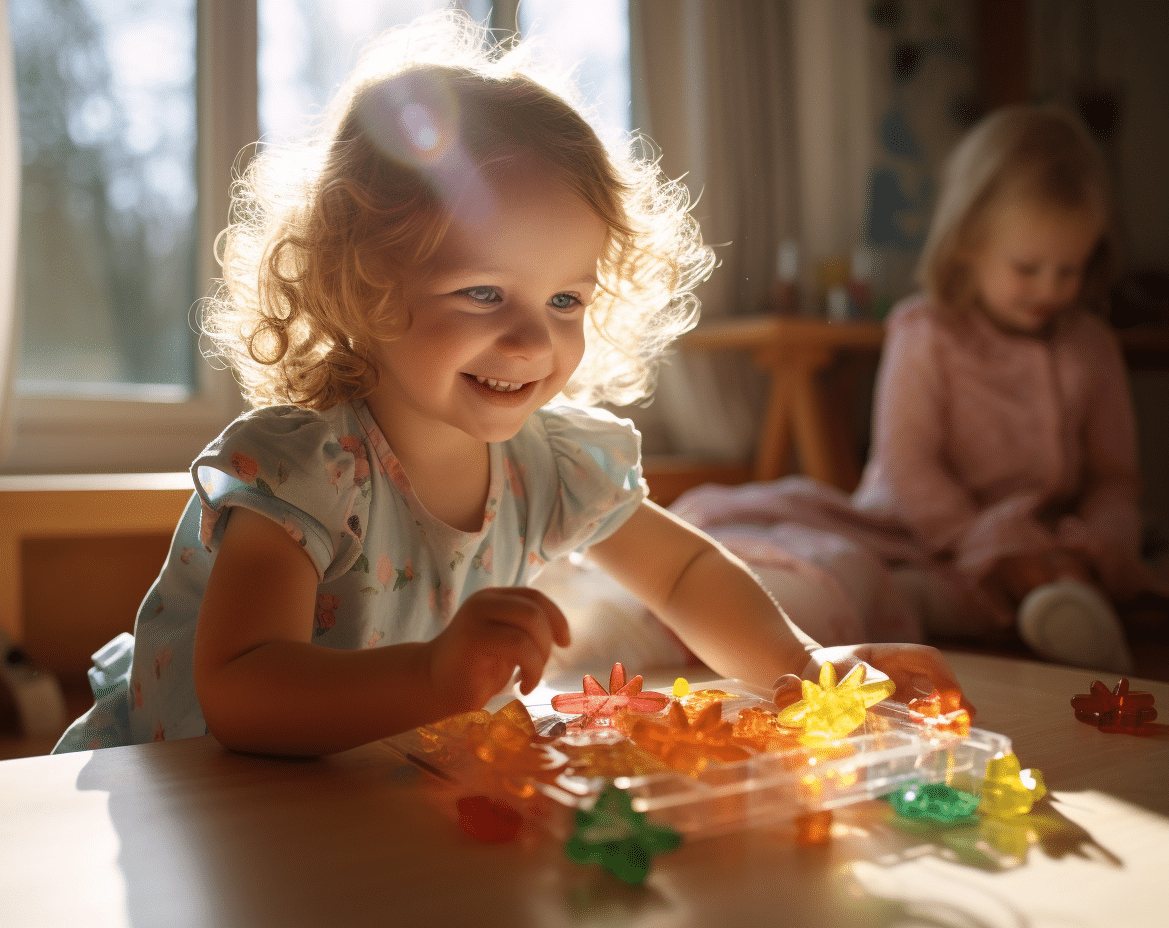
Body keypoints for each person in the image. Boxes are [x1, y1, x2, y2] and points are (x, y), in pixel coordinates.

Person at [53, 13, 969, 757]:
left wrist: (803, 667)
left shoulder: (552, 462)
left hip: (360, 794)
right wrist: (429, 679)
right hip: (186, 791)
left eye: (566, 297)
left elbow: (684, 570)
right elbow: (245, 688)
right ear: (364, 288)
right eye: (484, 292)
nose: (533, 337)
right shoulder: (303, 468)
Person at [674, 104, 1165, 675]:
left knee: (1089, 574)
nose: (1050, 288)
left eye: (1070, 269)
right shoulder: (926, 331)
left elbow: (1114, 479)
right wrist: (988, 543)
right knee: (863, 574)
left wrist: (1094, 544)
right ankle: (973, 610)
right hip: (916, 533)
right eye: (1028, 268)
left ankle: (1056, 604)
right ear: (968, 246)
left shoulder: (1089, 345)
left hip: (1049, 540)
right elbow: (910, 468)